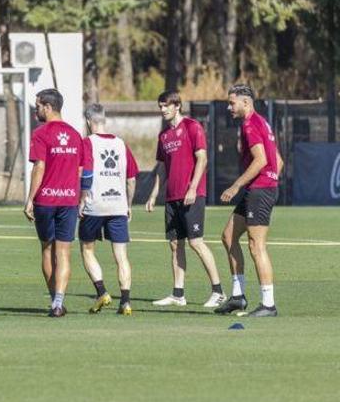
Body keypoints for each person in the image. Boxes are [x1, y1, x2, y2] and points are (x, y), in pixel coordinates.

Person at [145, 91, 225, 308]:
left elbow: (202, 158)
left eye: (166, 106)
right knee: (174, 244)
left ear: (177, 106)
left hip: (192, 196)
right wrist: (154, 194)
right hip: (172, 197)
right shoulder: (164, 136)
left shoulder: (192, 127)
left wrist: (192, 188)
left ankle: (218, 291)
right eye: (160, 106)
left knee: (196, 243)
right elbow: (162, 168)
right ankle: (178, 294)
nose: (162, 110)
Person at [215, 84, 284, 317]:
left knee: (256, 246)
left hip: (259, 190)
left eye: (232, 102)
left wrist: (236, 185)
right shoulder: (261, 122)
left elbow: (261, 160)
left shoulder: (249, 124)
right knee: (228, 236)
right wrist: (272, 180)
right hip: (260, 188)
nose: (228, 107)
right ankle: (238, 296)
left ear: (246, 102)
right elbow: (278, 161)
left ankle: (268, 304)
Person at [24, 89, 87, 317]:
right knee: (64, 253)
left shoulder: (41, 134)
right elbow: (81, 170)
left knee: (47, 249)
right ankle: (59, 303)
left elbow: (39, 167)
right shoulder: (76, 135)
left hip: (46, 200)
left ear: (48, 107)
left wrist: (30, 198)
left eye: (38, 106)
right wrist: (80, 196)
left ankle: (54, 301)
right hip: (68, 200)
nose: (36, 110)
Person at [78, 104, 139, 315]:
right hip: (118, 205)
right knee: (121, 255)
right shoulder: (121, 144)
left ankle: (102, 292)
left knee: (87, 249)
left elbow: (86, 174)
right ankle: (126, 302)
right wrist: (129, 205)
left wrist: (81, 200)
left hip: (95, 205)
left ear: (88, 121)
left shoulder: (88, 143)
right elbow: (131, 179)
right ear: (103, 120)